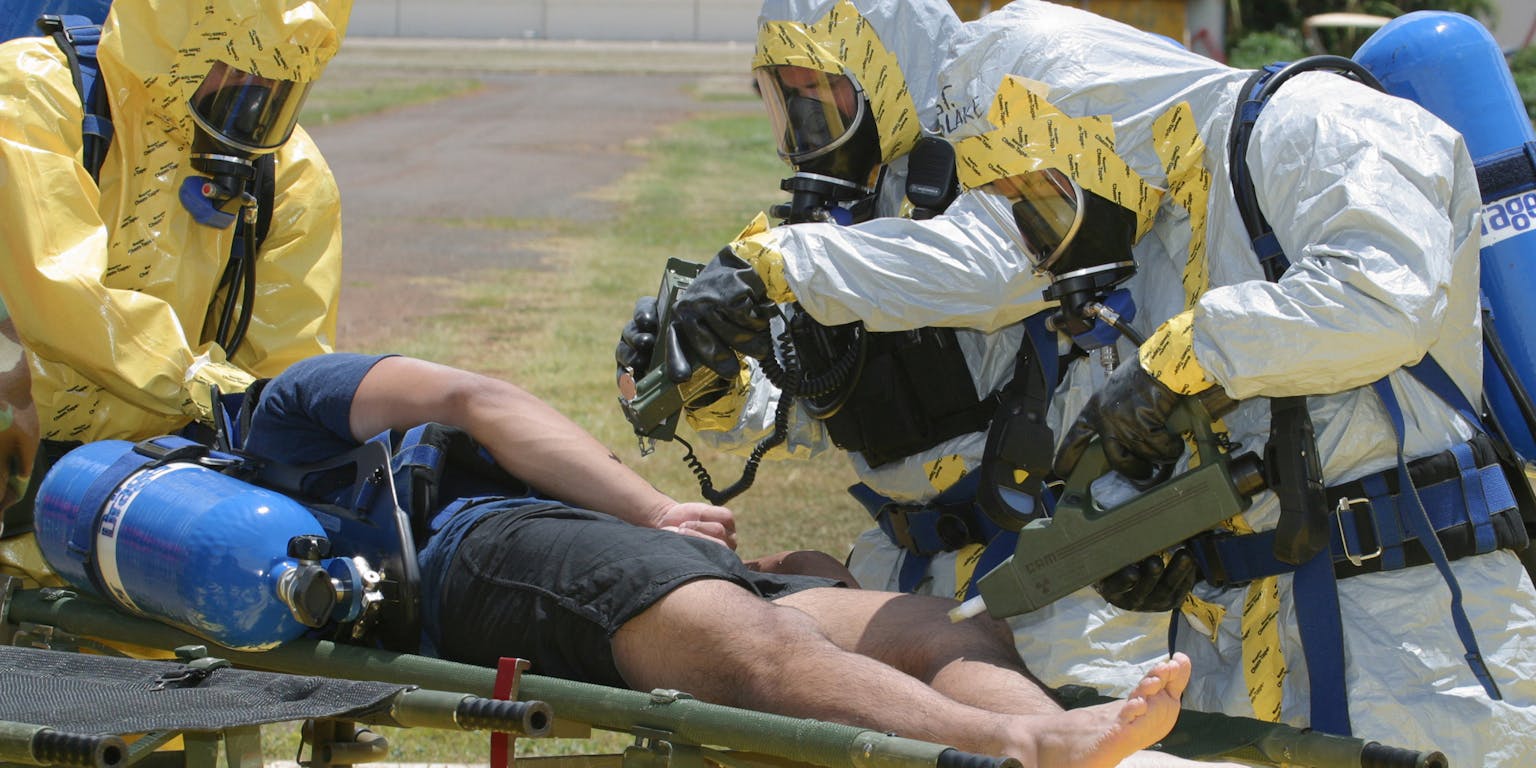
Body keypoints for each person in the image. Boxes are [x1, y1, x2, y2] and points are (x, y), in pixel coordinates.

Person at [652, 1, 1536, 764]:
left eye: (1039, 189)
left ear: (1089, 122)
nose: (1042, 231)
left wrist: (1181, 360)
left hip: (1413, 630)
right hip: (1229, 631)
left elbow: (1385, 295)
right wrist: (1139, 537)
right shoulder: (1157, 234)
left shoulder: (1317, 122)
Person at [241, 351, 1248, 768]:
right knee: (749, 646)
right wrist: (653, 507)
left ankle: (1060, 737)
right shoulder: (289, 399)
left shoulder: (284, 430)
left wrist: (649, 529)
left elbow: (485, 415)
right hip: (483, 558)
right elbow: (481, 401)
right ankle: (1025, 749)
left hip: (583, 561)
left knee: (937, 623)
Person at [619, 0, 1175, 705]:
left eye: (821, 93)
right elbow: (817, 396)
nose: (805, 123)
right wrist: (715, 375)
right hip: (903, 573)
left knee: (1078, 742)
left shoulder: (1000, 158)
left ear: (888, 65)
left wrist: (776, 265)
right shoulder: (831, 229)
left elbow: (994, 268)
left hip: (1054, 571)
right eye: (787, 98)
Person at [0, 0, 352, 568]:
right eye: (233, 66)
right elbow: (58, 294)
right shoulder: (34, 92)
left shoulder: (290, 172)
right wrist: (201, 383)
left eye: (278, 81)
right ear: (173, 38)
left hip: (134, 503)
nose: (252, 95)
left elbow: (284, 364)